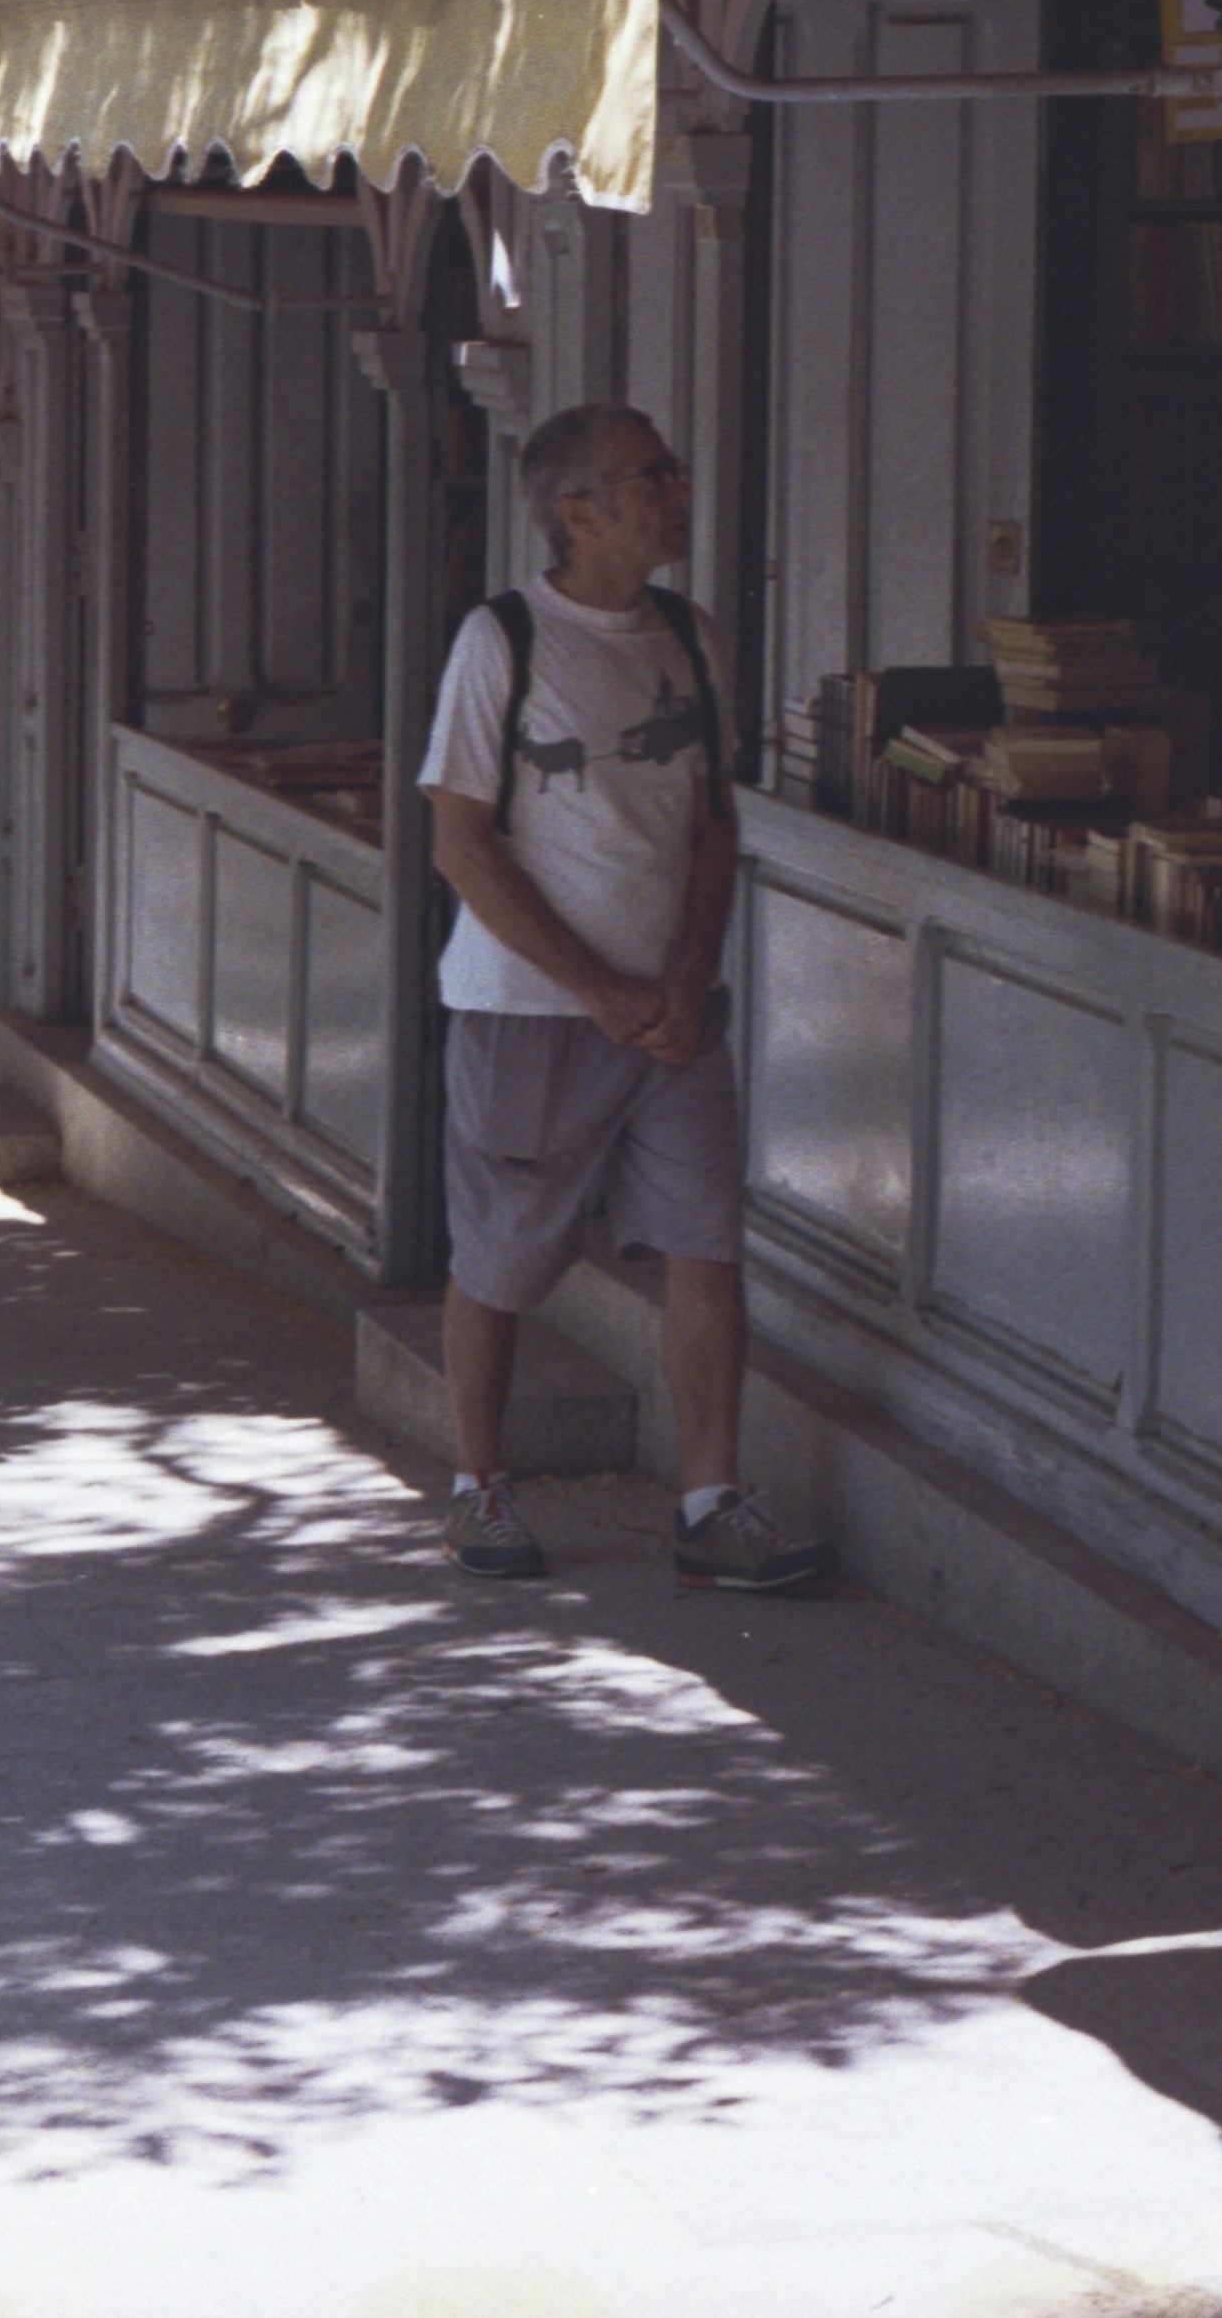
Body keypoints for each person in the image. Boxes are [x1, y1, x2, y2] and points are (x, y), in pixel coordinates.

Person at [416, 403, 831, 1596]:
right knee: (499, 1250)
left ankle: (710, 1499)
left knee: (706, 1244)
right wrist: (598, 989)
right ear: (577, 509)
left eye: (673, 471)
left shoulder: (688, 637)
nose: (678, 493)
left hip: (673, 1011)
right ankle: (479, 1484)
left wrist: (688, 974)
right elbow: (462, 842)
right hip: (531, 1009)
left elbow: (709, 821)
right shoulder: (502, 641)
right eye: (652, 477)